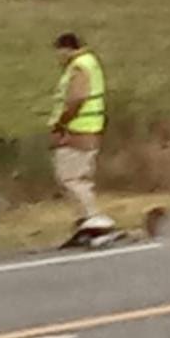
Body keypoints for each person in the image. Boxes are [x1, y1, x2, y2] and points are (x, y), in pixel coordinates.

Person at [47, 32, 116, 246]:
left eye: (59, 52)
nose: (58, 58)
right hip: (90, 128)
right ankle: (86, 225)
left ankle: (94, 220)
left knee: (70, 178)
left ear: (66, 48)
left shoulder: (78, 67)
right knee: (80, 178)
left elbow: (76, 98)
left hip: (77, 130)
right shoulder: (90, 63)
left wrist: (61, 124)